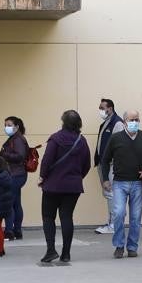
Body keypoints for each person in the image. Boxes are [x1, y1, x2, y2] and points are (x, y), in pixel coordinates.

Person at [38, 110, 92, 264]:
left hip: (52, 185)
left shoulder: (55, 138)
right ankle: (66, 253)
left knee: (48, 217)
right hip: (73, 186)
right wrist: (76, 177)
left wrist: (42, 176)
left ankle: (50, 251)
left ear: (63, 121)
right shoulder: (82, 141)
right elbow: (87, 164)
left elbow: (47, 160)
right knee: (67, 217)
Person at [102, 109, 142, 259]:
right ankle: (119, 245)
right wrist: (105, 179)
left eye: (137, 119)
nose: (134, 122)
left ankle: (132, 247)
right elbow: (105, 159)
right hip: (119, 182)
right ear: (124, 122)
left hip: (138, 183)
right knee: (118, 213)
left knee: (135, 217)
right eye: (131, 120)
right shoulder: (116, 138)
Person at [93, 98, 125, 235]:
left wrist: (112, 162)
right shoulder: (106, 123)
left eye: (102, 108)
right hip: (104, 164)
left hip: (111, 165)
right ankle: (112, 222)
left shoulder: (117, 123)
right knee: (108, 193)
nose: (100, 110)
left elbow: (120, 146)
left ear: (110, 108)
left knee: (111, 193)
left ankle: (113, 225)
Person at [0, 115, 30, 240]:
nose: (6, 127)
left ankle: (9, 231)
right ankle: (17, 231)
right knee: (16, 203)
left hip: (16, 174)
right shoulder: (15, 138)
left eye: (9, 125)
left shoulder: (18, 139)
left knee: (10, 203)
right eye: (5, 125)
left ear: (16, 127)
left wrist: (4, 154)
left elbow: (20, 156)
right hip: (17, 174)